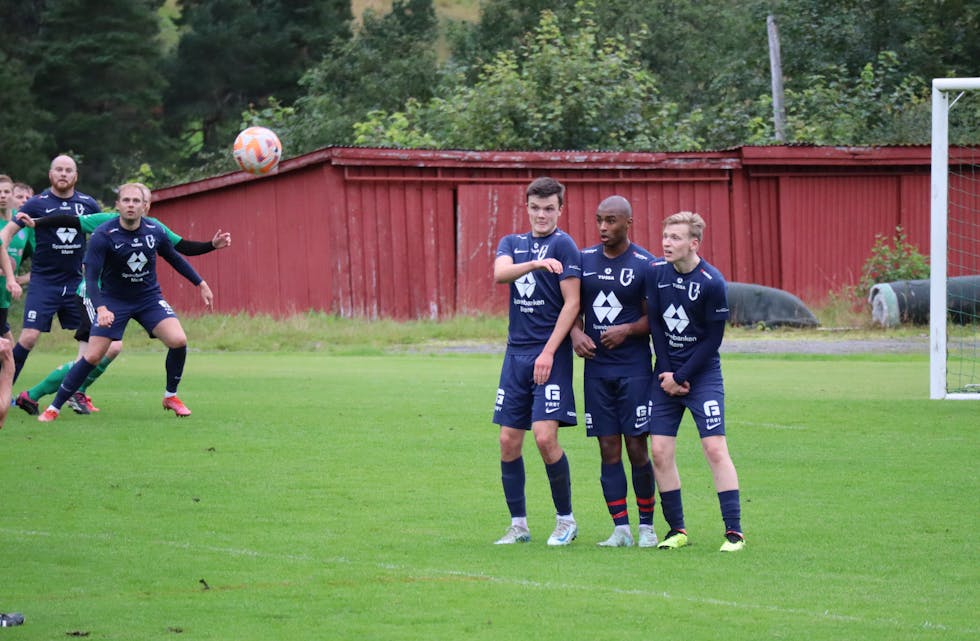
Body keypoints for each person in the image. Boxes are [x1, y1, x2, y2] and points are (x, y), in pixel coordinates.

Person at [12, 184, 231, 416]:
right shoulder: (105, 225)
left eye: (139, 201)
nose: (132, 205)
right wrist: (38, 222)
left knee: (115, 349)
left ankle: (64, 392)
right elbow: (68, 220)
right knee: (95, 354)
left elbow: (180, 249)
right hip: (96, 293)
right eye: (127, 200)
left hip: (141, 298)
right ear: (119, 204)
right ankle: (50, 396)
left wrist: (210, 249)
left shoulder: (154, 228)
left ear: (146, 206)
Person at [645, 211, 745, 552]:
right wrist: (667, 375)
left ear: (694, 243)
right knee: (659, 451)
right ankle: (677, 531)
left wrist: (683, 377)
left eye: (675, 237)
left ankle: (734, 533)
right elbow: (657, 326)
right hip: (667, 373)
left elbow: (711, 341)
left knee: (715, 448)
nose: (666, 243)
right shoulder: (655, 274)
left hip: (702, 376)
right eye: (665, 236)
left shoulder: (712, 282)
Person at [492, 176, 582, 546]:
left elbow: (573, 303)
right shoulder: (512, 243)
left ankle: (566, 520)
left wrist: (548, 351)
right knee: (508, 441)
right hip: (515, 355)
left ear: (561, 209)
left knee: (545, 438)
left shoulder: (566, 245)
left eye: (549, 208)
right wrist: (534, 264)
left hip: (550, 354)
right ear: (526, 207)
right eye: (535, 208)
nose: (542, 215)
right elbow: (500, 274)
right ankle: (519, 525)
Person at [570, 195, 659, 548]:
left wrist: (628, 330)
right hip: (597, 371)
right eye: (599, 220)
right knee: (608, 449)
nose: (603, 227)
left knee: (637, 448)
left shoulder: (645, 265)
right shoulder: (583, 261)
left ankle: (647, 527)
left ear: (628, 223)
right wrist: (576, 332)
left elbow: (654, 319)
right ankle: (620, 528)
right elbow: (572, 307)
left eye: (611, 220)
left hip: (634, 370)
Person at [0, 155, 101, 384]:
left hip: (76, 283)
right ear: (50, 175)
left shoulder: (87, 203)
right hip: (44, 283)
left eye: (68, 170)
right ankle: (3, 389)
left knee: (97, 341)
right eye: (58, 170)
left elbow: (102, 235)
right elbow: (7, 233)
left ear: (75, 176)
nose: (63, 174)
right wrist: (3, 251)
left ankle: (77, 392)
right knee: (28, 337)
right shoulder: (36, 203)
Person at [0, 176, 33, 343]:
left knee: (4, 336)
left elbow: (42, 257)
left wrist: (19, 279)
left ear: (12, 195)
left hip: (4, 292)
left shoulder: (22, 223)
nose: (3, 196)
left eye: (7, 192)